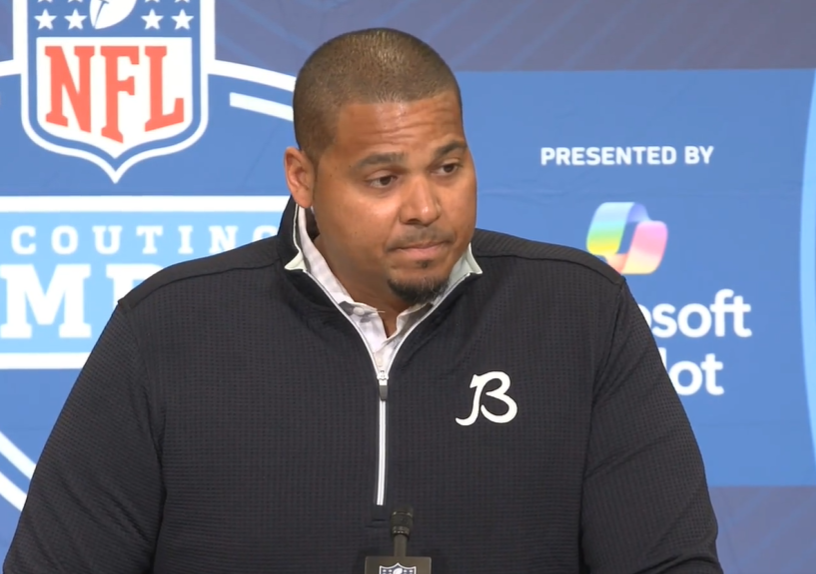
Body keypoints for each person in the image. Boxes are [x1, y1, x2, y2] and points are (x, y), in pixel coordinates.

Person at [3, 28, 722, 574]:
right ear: (303, 177)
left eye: (448, 166)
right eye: (382, 179)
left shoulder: (581, 315)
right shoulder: (166, 331)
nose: (425, 207)